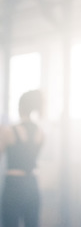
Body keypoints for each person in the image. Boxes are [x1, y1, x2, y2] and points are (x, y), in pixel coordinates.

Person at [0, 90, 44, 227]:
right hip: (32, 184)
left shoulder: (8, 131)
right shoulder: (40, 133)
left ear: (21, 107)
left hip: (14, 185)